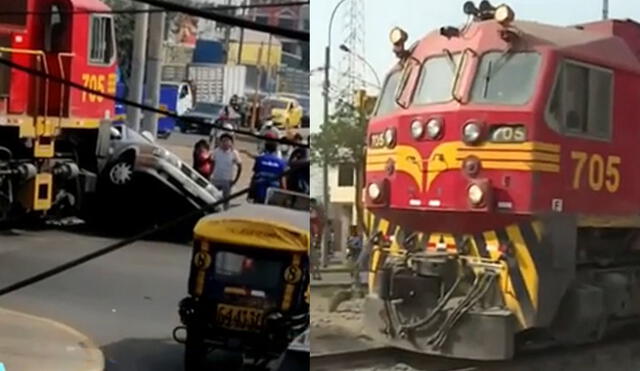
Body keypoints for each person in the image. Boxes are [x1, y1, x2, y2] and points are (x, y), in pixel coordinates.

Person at [211, 133, 242, 210]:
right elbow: (211, 163)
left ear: (231, 143)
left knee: (226, 201)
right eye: (223, 141)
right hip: (216, 179)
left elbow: (240, 166)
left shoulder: (234, 153)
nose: (225, 143)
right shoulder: (216, 151)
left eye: (227, 141)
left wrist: (235, 180)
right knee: (213, 199)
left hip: (227, 181)